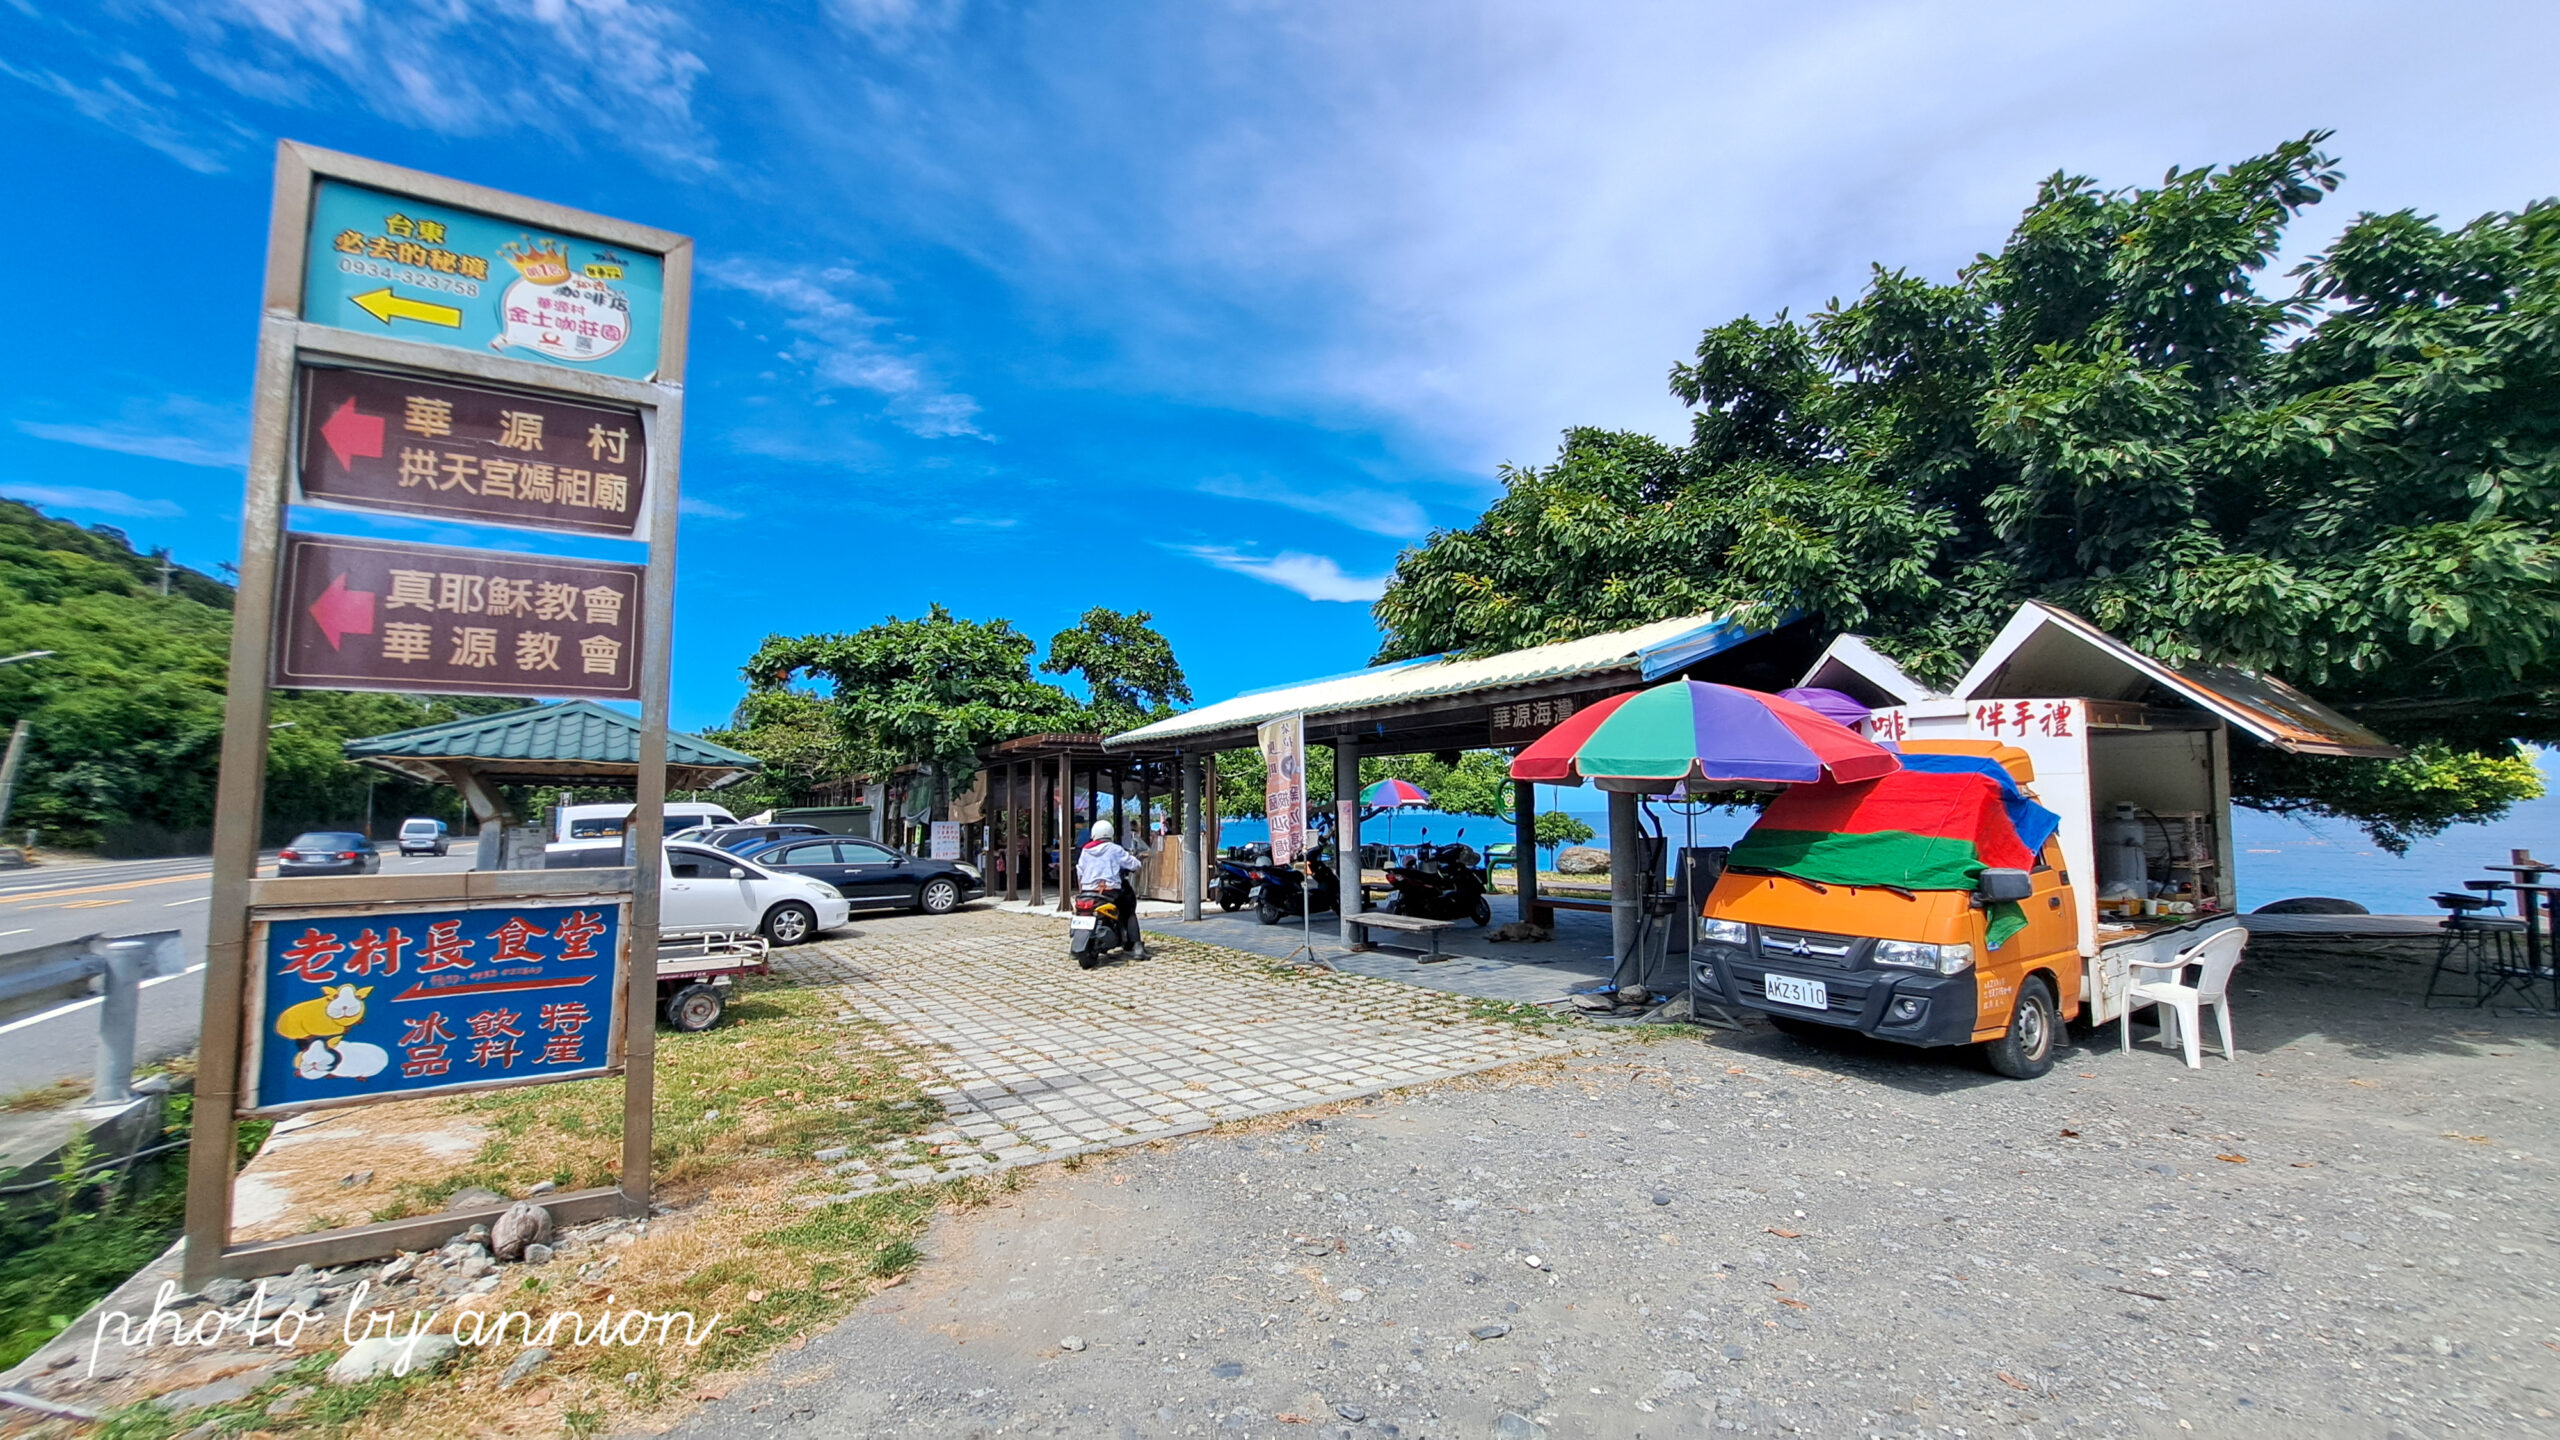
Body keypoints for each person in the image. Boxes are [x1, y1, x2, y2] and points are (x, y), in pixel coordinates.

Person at [1077, 819, 1144, 953]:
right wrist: (1138, 861)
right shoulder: (1114, 849)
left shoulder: (1086, 850)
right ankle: (1137, 945)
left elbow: (1080, 870)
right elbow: (1133, 864)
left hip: (1087, 891)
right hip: (1109, 891)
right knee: (1129, 910)